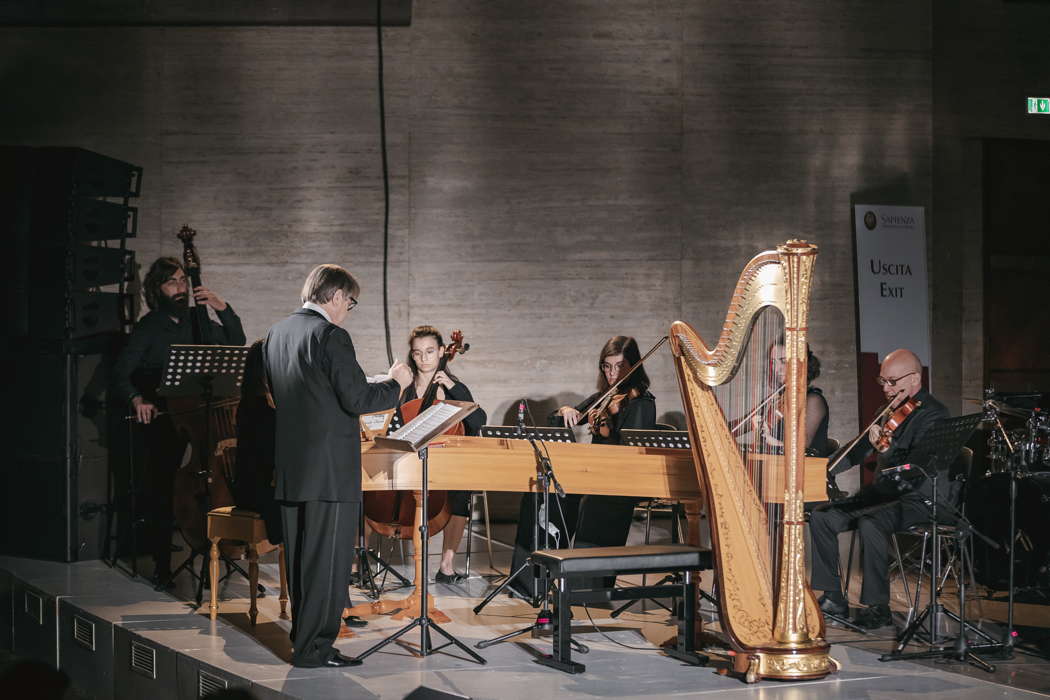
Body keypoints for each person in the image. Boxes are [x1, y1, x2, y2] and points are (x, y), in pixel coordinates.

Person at [263, 264, 412, 668]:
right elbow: (359, 400)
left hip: (293, 468)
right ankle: (314, 650)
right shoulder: (330, 335)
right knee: (327, 566)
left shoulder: (276, 334)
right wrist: (396, 382)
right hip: (329, 472)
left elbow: (287, 396)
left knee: (299, 564)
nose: (349, 308)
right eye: (350, 301)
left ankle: (303, 639)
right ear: (335, 296)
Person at [111, 256, 245, 587]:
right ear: (157, 289)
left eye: (183, 281)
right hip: (167, 417)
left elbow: (237, 340)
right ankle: (161, 564)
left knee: (221, 477)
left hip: (206, 416)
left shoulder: (199, 320)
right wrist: (136, 399)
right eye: (172, 282)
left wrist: (220, 306)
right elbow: (120, 373)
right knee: (163, 484)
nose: (180, 287)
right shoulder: (150, 327)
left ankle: (224, 544)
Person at [809, 348, 949, 629]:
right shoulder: (886, 412)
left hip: (918, 498)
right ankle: (833, 597)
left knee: (871, 523)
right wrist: (825, 470)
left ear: (914, 379)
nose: (886, 389)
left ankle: (877, 606)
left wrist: (887, 446)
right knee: (823, 516)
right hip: (883, 496)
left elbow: (916, 469)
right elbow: (858, 450)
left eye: (892, 382)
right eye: (882, 381)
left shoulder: (934, 415)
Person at [508, 335, 657, 597]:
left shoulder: (642, 401)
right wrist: (565, 411)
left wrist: (607, 427)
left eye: (620, 366)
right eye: (607, 366)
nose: (612, 373)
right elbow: (563, 421)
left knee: (595, 504)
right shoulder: (603, 396)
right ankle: (532, 582)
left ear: (633, 366)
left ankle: (585, 589)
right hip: (593, 475)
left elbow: (632, 450)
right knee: (542, 495)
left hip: (621, 480)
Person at [390, 325, 487, 583]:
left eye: (430, 352)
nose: (424, 358)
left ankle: (446, 565)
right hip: (411, 461)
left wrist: (453, 388)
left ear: (443, 351)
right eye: (418, 353)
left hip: (446, 463)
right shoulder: (405, 387)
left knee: (461, 491)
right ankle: (360, 562)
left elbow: (479, 420)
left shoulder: (455, 387)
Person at [751, 342, 832, 457]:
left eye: (783, 361)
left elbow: (803, 449)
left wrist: (769, 439)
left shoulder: (813, 400)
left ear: (800, 364)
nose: (777, 369)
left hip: (809, 472)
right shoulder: (778, 400)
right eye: (773, 362)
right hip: (780, 469)